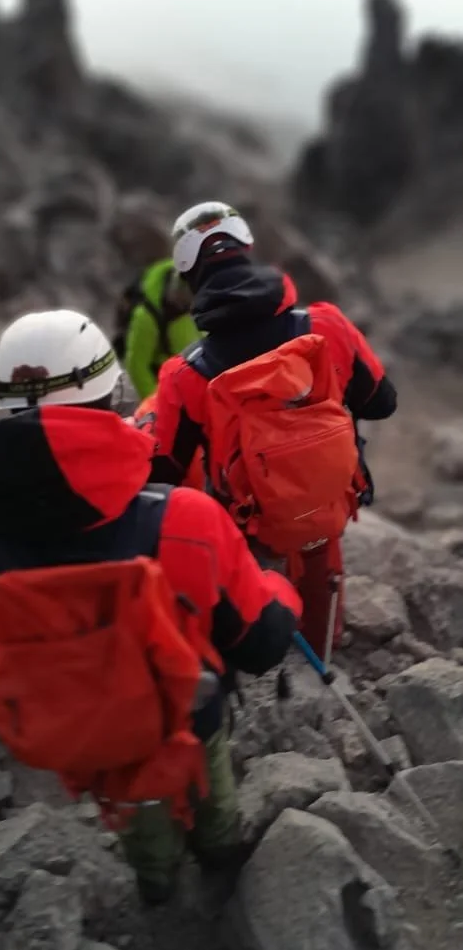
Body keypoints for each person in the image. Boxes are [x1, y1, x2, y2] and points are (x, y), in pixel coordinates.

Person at [0, 308, 301, 906]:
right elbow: (259, 645)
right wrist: (278, 591)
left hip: (88, 735)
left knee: (137, 815)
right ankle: (219, 861)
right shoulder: (186, 521)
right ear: (112, 398)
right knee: (212, 802)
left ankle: (155, 886)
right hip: (189, 720)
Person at [147, 201, 398, 657]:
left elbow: (162, 475)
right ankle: (322, 657)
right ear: (247, 249)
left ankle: (264, 665)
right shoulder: (325, 326)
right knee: (320, 563)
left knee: (252, 596)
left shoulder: (185, 376)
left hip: (246, 534)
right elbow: (383, 403)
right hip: (325, 507)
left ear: (188, 276)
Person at [113, 258, 201, 399]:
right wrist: (158, 404)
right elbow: (137, 367)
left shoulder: (197, 303)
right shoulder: (146, 317)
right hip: (163, 384)